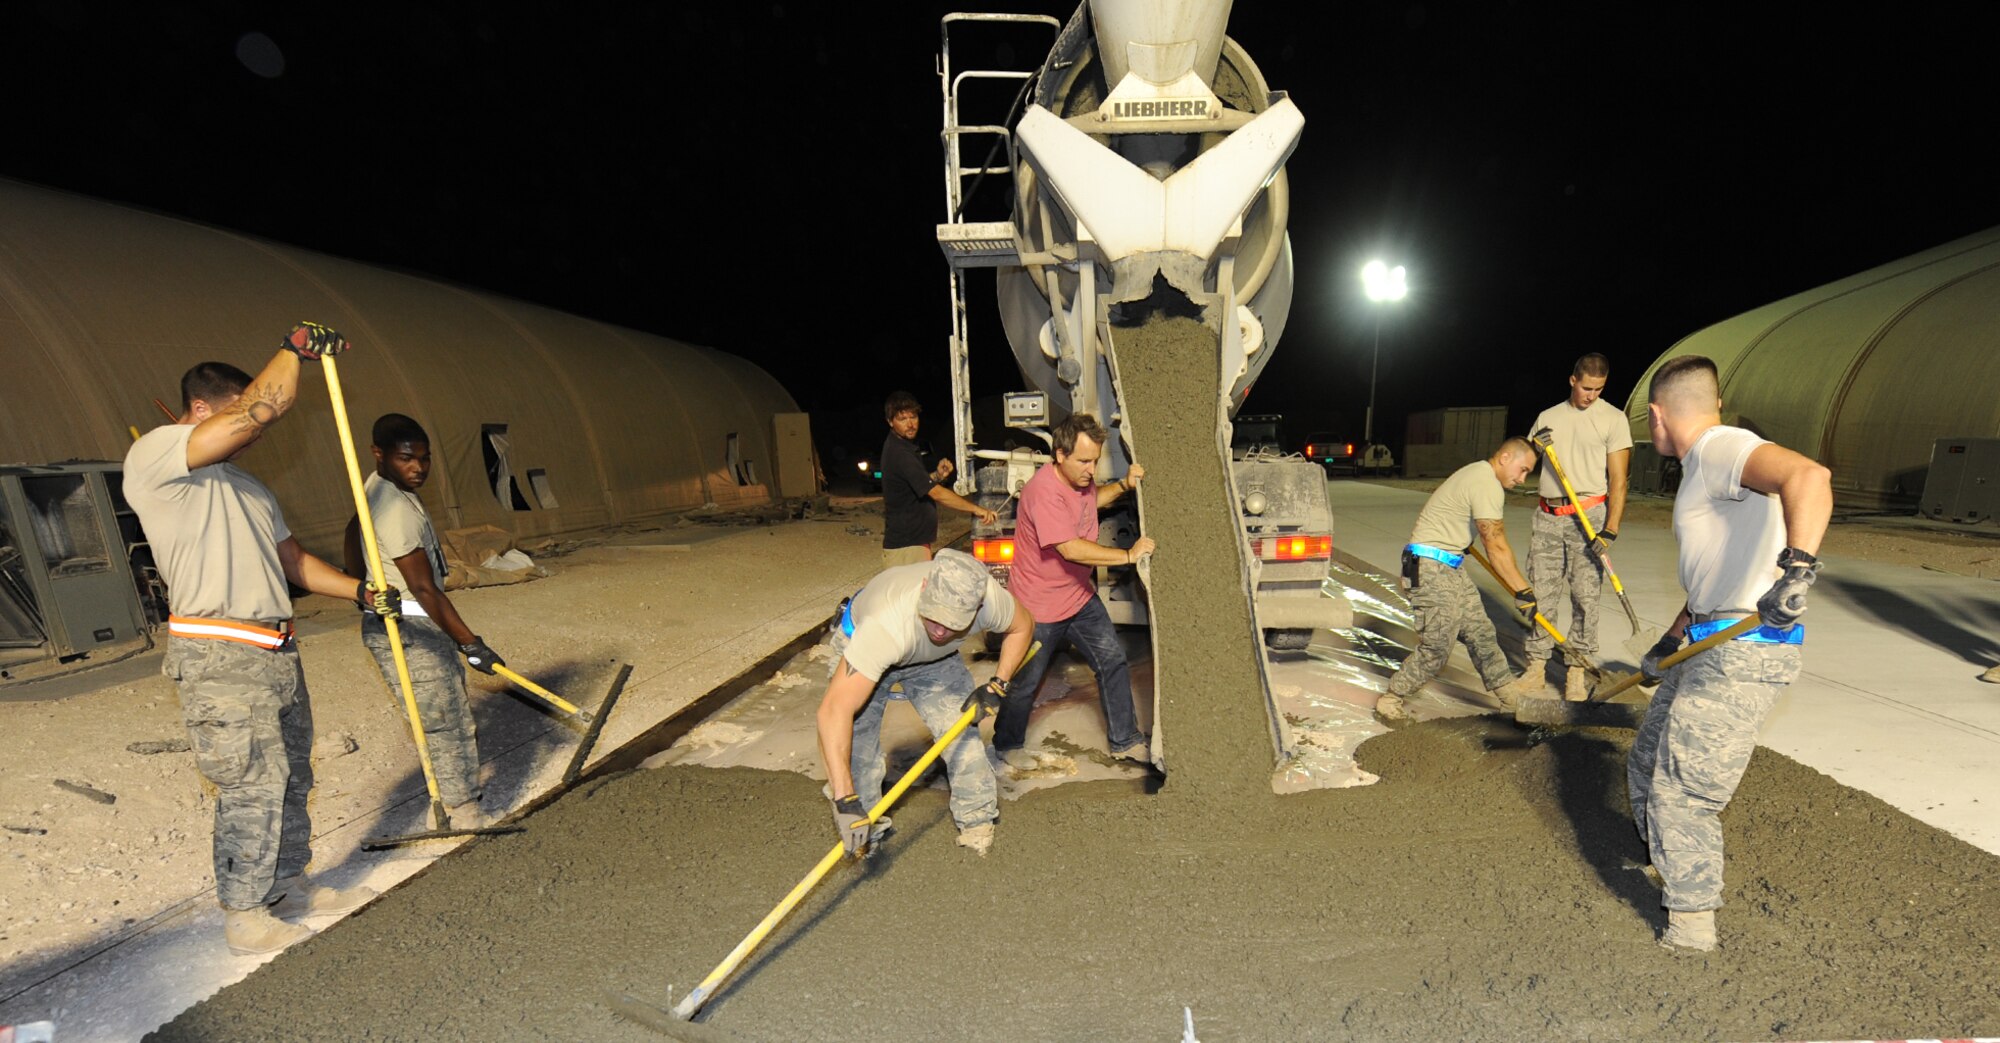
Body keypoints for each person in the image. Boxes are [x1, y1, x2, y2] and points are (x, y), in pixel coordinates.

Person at [121, 324, 386, 956]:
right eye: (243, 417)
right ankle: (243, 915)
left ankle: (284, 885)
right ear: (203, 409)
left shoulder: (250, 487)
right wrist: (295, 351)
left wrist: (360, 592)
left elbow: (293, 564)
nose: (257, 431)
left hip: (276, 650)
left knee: (291, 776)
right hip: (217, 651)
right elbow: (265, 406)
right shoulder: (159, 455)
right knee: (249, 783)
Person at [1627, 354, 1832, 952]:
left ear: (1658, 416)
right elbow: (1709, 580)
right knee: (1646, 761)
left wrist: (1796, 570)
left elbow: (1810, 477)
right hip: (1706, 640)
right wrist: (1670, 641)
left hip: (1743, 651)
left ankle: (1692, 924)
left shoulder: (1721, 448)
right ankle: (1666, 860)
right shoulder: (1702, 467)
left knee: (1683, 792)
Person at [815, 549, 1034, 857]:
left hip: (935, 661)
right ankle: (863, 829)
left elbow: (1023, 626)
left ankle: (977, 822)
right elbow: (833, 709)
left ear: (978, 607)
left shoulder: (989, 599)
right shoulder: (885, 626)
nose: (941, 631)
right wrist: (844, 799)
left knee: (962, 737)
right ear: (923, 589)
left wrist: (998, 684)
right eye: (935, 617)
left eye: (954, 623)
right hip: (865, 649)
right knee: (858, 755)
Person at [341, 413, 501, 829]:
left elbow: (352, 527)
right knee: (445, 720)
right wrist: (471, 643)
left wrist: (365, 588)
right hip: (412, 625)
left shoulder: (378, 488)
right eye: (407, 459)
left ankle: (456, 798)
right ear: (379, 454)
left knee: (441, 714)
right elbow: (425, 589)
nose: (419, 468)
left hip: (403, 617)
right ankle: (462, 810)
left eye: (425, 459)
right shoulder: (396, 509)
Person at [990, 412, 1154, 765]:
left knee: (1112, 660)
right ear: (1060, 455)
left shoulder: (1079, 481)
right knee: (1024, 684)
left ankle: (1125, 740)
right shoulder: (1043, 492)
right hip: (1040, 608)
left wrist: (1124, 485)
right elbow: (1070, 548)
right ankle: (1006, 744)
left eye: (1095, 461)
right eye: (1083, 461)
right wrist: (1128, 554)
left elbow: (1091, 501)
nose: (1091, 470)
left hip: (1078, 599)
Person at [1376, 439, 1546, 720]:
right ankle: (1391, 699)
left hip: (1450, 565)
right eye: (1522, 469)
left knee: (1481, 634)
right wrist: (1523, 590)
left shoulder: (1478, 473)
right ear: (1504, 457)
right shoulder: (1486, 482)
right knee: (1437, 648)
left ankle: (1509, 698)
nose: (1522, 478)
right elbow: (1496, 544)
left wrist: (1459, 536)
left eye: (1528, 472)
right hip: (1430, 568)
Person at [1525, 353, 1633, 699]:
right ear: (1573, 380)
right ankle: (1536, 668)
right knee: (1542, 594)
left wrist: (1611, 529)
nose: (1592, 396)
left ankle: (1576, 669)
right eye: (1587, 388)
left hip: (1589, 517)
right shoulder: (1548, 417)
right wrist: (1533, 448)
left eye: (1599, 389)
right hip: (1548, 515)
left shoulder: (1614, 419)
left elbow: (1618, 480)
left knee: (1585, 597)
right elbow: (1526, 462)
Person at [878, 390, 996, 568]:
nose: (910, 424)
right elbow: (937, 494)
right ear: (890, 422)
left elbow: (917, 485)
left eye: (913, 417)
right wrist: (976, 509)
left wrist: (937, 475)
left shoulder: (904, 446)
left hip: (913, 543)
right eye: (903, 419)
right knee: (915, 595)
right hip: (906, 548)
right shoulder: (899, 453)